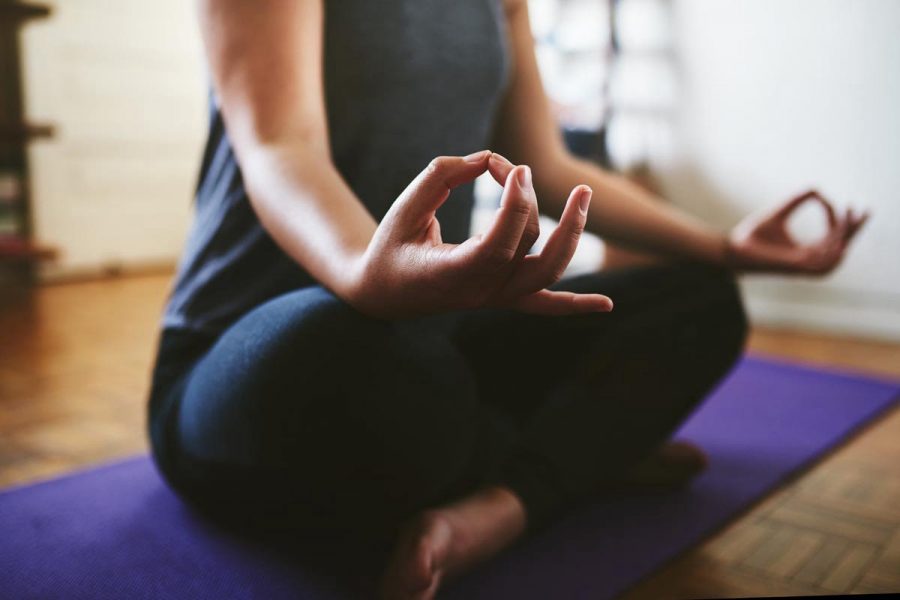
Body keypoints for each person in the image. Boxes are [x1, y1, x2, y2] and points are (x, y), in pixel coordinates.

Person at [146, 1, 867, 598]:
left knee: (699, 299)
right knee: (340, 343)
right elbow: (279, 144)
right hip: (260, 360)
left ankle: (499, 507)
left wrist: (725, 247)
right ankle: (583, 446)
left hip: (430, 350)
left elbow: (549, 166)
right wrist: (371, 274)